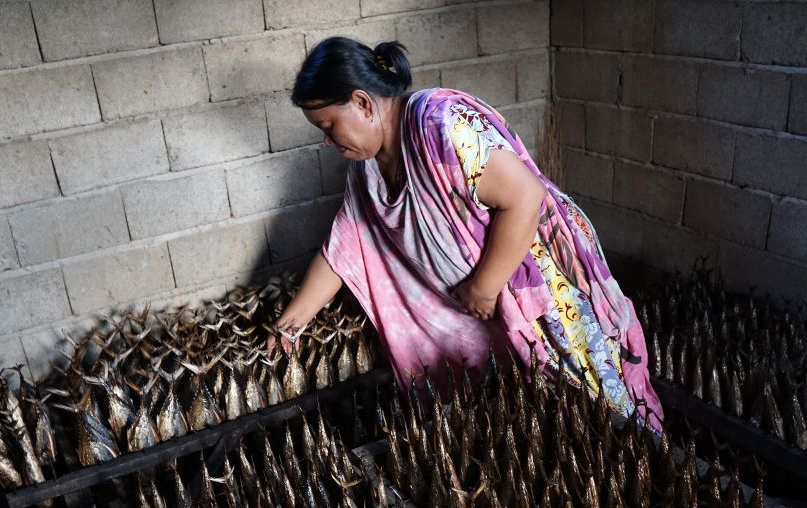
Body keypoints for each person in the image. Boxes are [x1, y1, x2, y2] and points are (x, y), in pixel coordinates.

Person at [269, 37, 663, 430]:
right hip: (481, 303)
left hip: (542, 288)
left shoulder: (440, 124)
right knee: (534, 421)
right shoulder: (367, 169)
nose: (326, 141)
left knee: (595, 409)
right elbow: (345, 246)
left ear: (363, 103)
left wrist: (486, 287)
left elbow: (525, 197)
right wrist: (290, 324)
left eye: (328, 126)